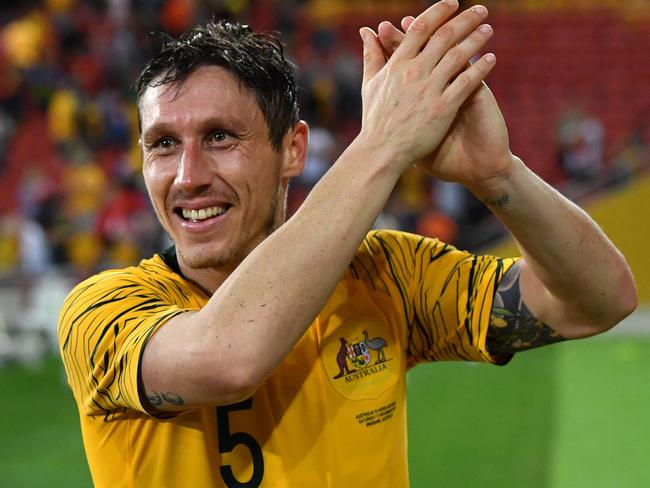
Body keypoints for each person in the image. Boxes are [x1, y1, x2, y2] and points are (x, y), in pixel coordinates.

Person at [58, 2, 637, 487]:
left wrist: (499, 175)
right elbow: (229, 359)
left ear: (292, 149)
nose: (188, 176)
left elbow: (601, 298)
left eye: (219, 137)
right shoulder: (101, 312)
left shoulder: (386, 276)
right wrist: (382, 145)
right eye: (162, 144)